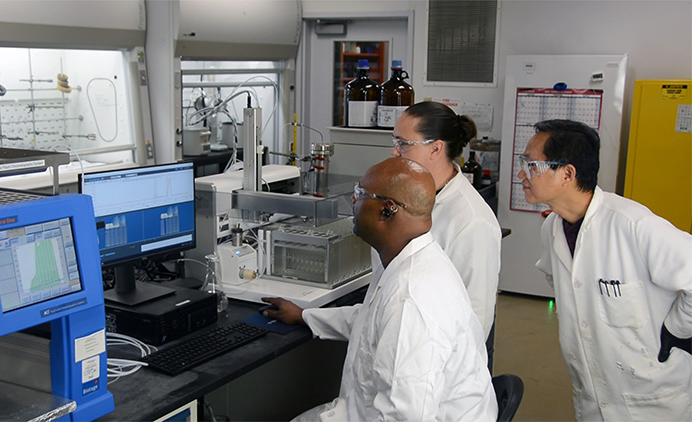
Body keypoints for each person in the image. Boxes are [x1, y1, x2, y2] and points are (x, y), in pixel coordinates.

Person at [263, 157, 497, 421]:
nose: (353, 201)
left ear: (388, 209)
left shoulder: (411, 298)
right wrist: (305, 315)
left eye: (360, 194)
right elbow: (370, 321)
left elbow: (406, 417)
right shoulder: (413, 260)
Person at [519, 119, 692, 421]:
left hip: (652, 399)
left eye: (532, 165)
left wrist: (675, 329)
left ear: (568, 174)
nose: (522, 174)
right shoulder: (552, 228)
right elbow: (557, 278)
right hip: (593, 394)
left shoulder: (633, 225)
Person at [391, 101, 501, 369]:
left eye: (404, 143)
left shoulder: (472, 221)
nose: (395, 152)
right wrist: (311, 317)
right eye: (394, 141)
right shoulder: (405, 196)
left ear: (436, 148)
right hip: (398, 352)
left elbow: (475, 324)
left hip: (437, 375)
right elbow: (384, 299)